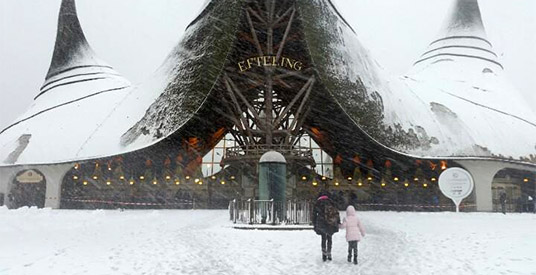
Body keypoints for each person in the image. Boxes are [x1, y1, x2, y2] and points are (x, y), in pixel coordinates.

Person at [312, 191, 340, 262]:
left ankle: (324, 254)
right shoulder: (331, 202)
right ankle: (329, 253)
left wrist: (314, 223)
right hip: (330, 222)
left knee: (323, 238)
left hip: (321, 222)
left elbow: (314, 215)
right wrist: (337, 222)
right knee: (329, 238)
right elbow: (336, 213)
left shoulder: (318, 203)